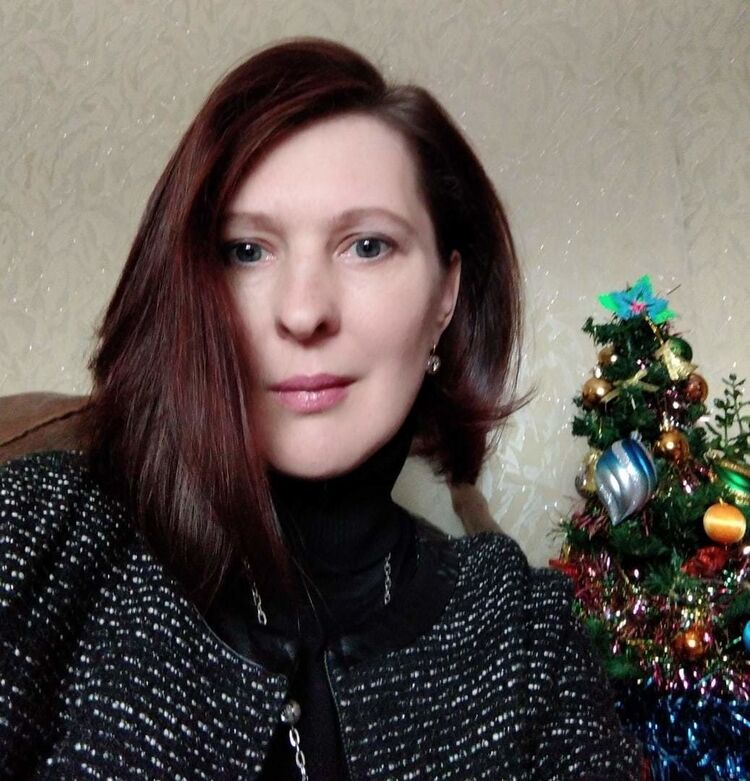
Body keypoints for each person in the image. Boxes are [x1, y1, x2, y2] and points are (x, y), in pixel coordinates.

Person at [0, 37, 641, 780]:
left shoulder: (524, 633)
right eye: (246, 250)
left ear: (445, 296)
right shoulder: (37, 537)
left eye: (367, 246)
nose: (303, 313)